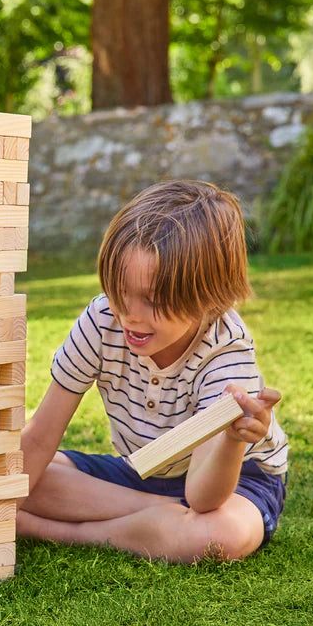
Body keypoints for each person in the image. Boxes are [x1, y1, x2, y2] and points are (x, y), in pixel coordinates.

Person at [18, 180, 288, 563]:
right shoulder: (102, 319)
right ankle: (157, 514)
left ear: (211, 297)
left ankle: (45, 528)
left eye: (153, 300)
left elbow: (202, 497)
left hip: (233, 483)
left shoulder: (226, 352)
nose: (130, 314)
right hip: (142, 472)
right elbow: (40, 439)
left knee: (219, 536)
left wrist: (231, 440)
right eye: (119, 290)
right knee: (14, 468)